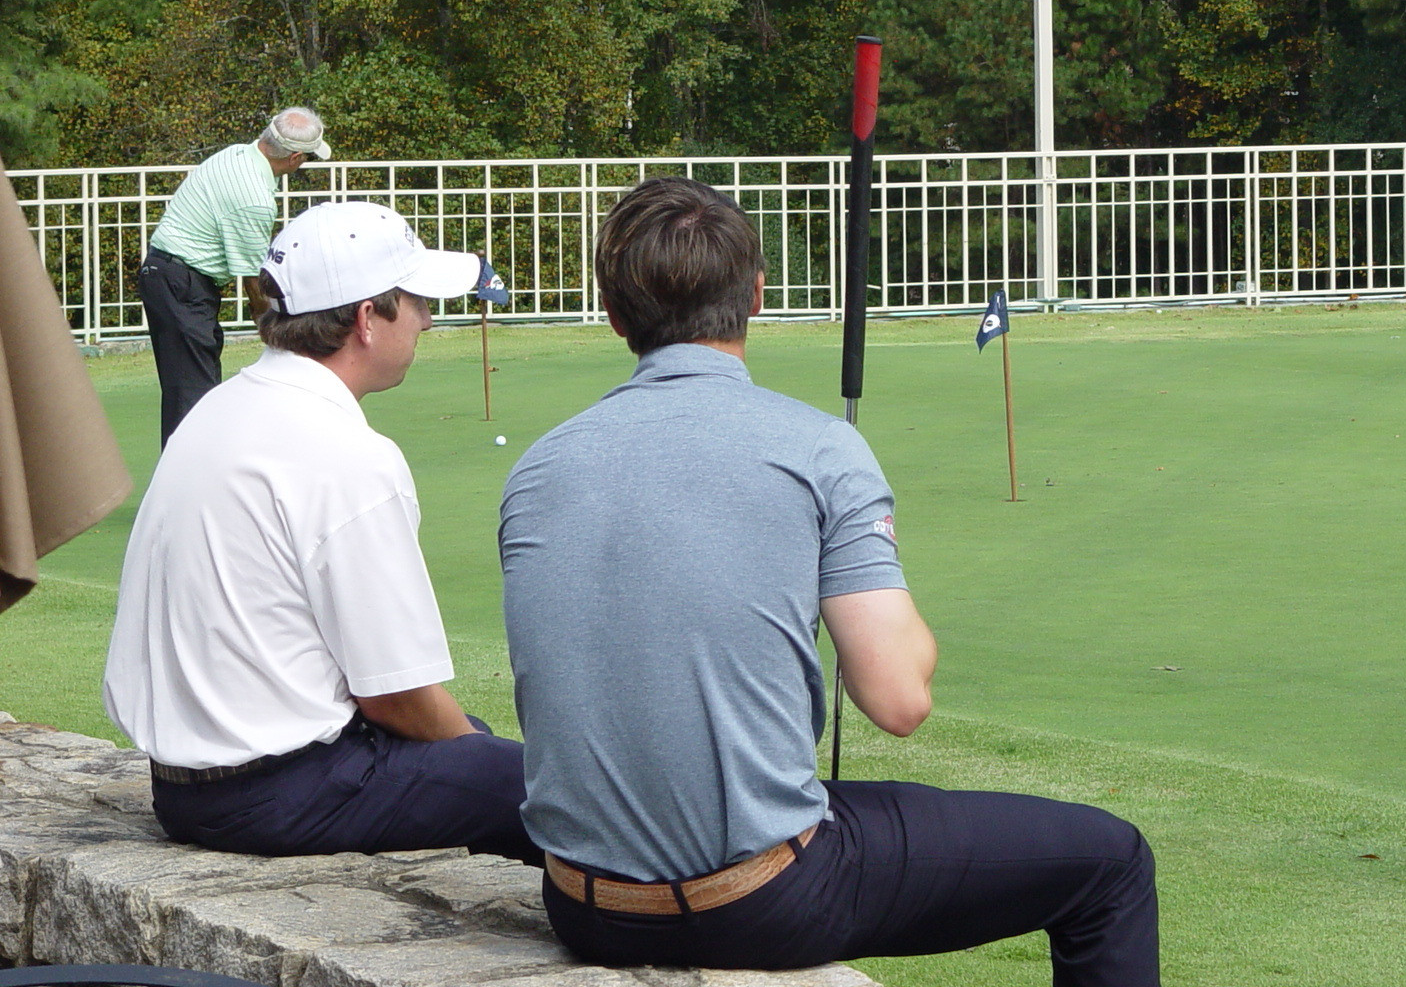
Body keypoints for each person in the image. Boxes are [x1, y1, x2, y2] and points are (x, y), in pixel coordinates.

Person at [500, 177, 1159, 984]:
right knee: (1112, 863)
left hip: (584, 905)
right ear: (756, 295)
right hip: (759, 899)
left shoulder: (537, 466)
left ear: (613, 312)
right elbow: (897, 701)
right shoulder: (818, 448)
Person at [105, 200, 538, 865]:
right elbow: (395, 694)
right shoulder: (349, 456)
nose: (426, 318)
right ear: (368, 318)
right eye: (416, 300)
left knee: (471, 754)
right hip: (278, 790)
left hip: (184, 786)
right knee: (536, 785)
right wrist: (474, 754)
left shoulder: (220, 407)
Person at [141, 107, 333, 445]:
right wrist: (279, 334)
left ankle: (189, 483)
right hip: (180, 284)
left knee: (191, 392)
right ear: (295, 157)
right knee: (193, 398)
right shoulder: (254, 200)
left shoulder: (236, 155)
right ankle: (187, 488)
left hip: (171, 277)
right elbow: (255, 284)